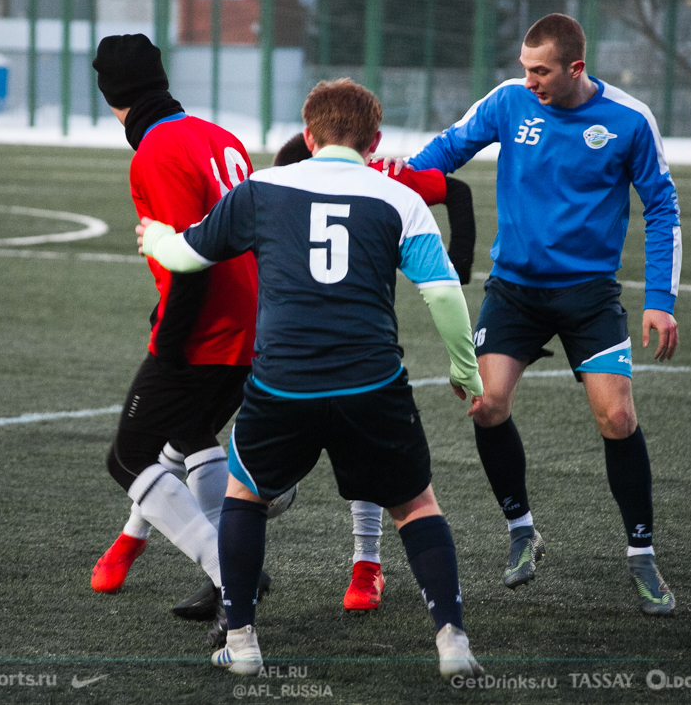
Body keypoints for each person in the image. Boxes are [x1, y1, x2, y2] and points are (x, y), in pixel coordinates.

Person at [139, 78, 485, 682]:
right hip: (371, 383)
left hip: (282, 384)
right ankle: (451, 638)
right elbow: (442, 292)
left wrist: (159, 238)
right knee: (415, 505)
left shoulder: (262, 188)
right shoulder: (397, 197)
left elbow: (189, 256)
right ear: (374, 141)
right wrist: (464, 367)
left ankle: (242, 641)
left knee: (245, 497)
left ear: (308, 134)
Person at [401, 13, 682, 615]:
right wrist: (399, 183)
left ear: (576, 68)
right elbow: (446, 150)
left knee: (617, 417)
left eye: (541, 71)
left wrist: (660, 301)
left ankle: (642, 555)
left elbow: (662, 206)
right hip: (515, 291)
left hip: (589, 294)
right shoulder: (509, 101)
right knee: (486, 404)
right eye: (525, 69)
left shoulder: (629, 120)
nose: (529, 80)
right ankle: (522, 530)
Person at [90, 34, 260, 627]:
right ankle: (226, 578)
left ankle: (233, 574)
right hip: (251, 319)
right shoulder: (221, 136)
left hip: (208, 328)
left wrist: (167, 344)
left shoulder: (156, 150)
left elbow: (191, 259)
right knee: (192, 435)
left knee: (129, 457)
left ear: (111, 94)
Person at [271, 133, 477, 612]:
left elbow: (455, 190)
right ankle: (215, 566)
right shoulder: (275, 185)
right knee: (248, 479)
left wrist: (460, 260)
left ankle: (366, 564)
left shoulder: (378, 174)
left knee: (362, 451)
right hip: (293, 347)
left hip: (357, 345)